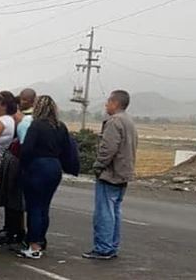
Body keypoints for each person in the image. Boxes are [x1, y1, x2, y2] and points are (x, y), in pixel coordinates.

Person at [83, 90, 137, 260]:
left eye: (108, 101)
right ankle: (111, 245)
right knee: (115, 211)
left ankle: (103, 248)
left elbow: (108, 148)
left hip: (111, 173)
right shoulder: (129, 121)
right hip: (124, 172)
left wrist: (98, 165)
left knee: (104, 212)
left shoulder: (114, 122)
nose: (106, 105)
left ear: (115, 103)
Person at [18, 95, 71, 259]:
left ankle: (33, 245)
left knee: (33, 207)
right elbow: (67, 149)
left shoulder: (36, 125)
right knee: (44, 207)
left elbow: (26, 149)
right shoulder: (61, 126)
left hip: (37, 167)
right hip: (55, 167)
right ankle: (40, 241)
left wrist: (24, 166)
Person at [0, 91, 25, 247]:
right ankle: (11, 230)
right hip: (3, 159)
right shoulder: (12, 120)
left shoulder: (2, 121)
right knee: (11, 199)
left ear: (3, 105)